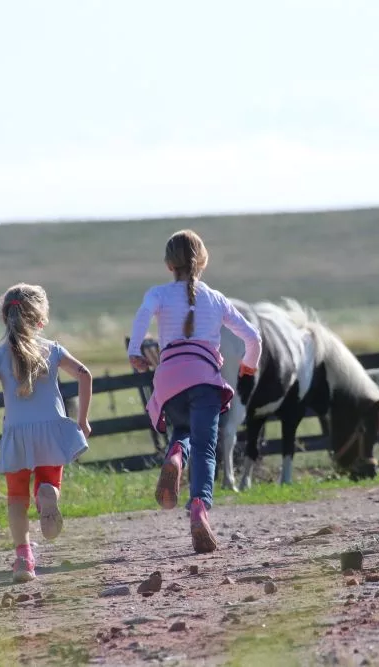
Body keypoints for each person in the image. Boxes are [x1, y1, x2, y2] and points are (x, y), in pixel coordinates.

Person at [128, 229, 261, 553]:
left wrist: (135, 351)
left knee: (183, 432)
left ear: (168, 264)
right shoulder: (216, 298)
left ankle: (174, 454)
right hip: (204, 379)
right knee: (205, 447)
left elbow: (143, 315)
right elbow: (253, 337)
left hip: (170, 378)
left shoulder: (158, 294)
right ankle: (199, 507)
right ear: (202, 261)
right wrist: (248, 365)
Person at [0, 283, 92, 582]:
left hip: (17, 435)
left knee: (15, 500)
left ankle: (24, 559)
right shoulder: (53, 350)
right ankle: (47, 493)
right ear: (40, 320)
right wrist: (83, 420)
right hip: (51, 430)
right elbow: (85, 374)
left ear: (4, 318)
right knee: (49, 481)